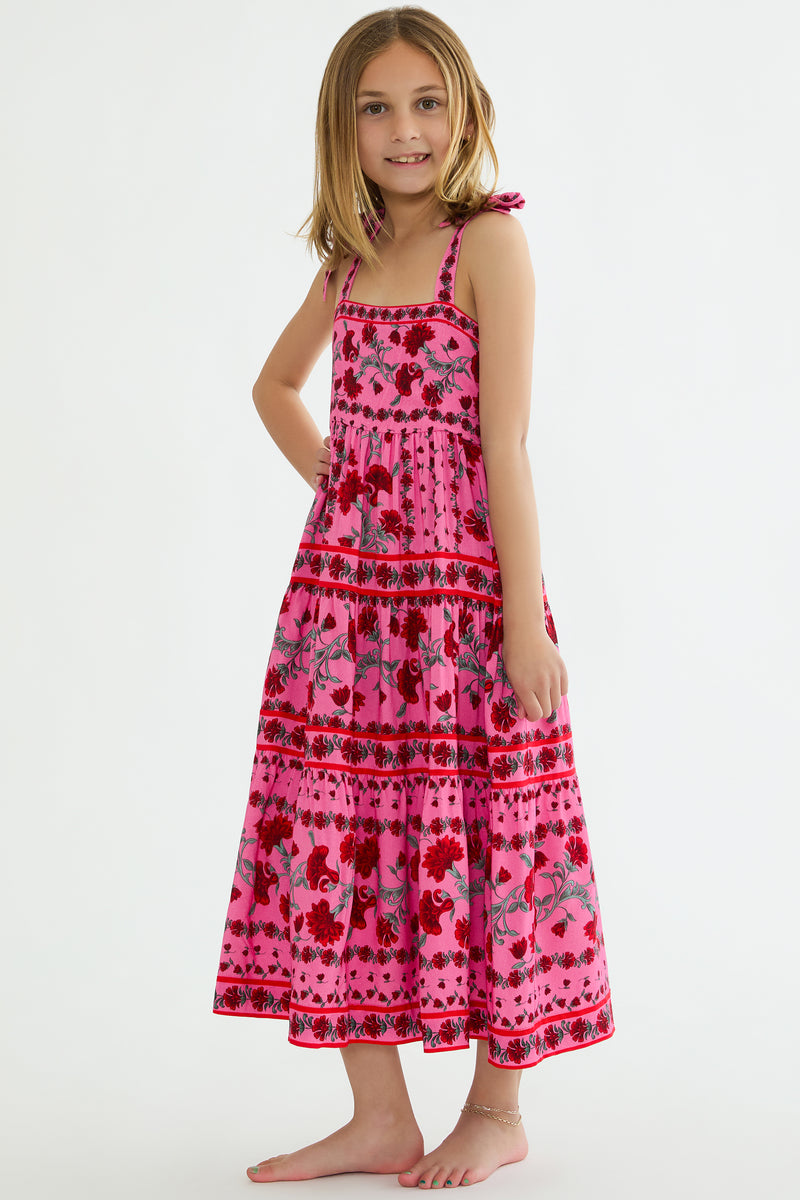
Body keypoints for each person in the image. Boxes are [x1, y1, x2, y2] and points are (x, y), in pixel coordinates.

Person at [212, 5, 615, 1189]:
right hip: (346, 604)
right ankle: (379, 1112)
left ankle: (496, 1108)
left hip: (460, 600)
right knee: (345, 832)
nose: (404, 129)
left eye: (425, 102)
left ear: (463, 110)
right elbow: (273, 388)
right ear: (343, 128)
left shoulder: (482, 244)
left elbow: (507, 449)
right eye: (376, 107)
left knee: (491, 825)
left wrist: (524, 616)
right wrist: (348, 486)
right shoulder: (345, 262)